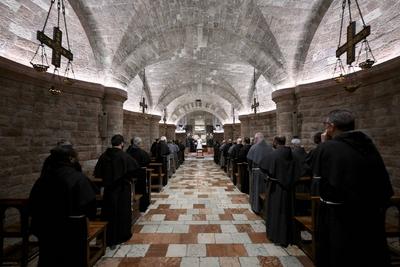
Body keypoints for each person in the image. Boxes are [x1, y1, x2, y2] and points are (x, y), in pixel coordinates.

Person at [313, 109, 393, 267]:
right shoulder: (367, 143)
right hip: (369, 214)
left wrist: (323, 145)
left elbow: (320, 181)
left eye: (326, 125)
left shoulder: (328, 147)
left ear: (331, 126)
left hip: (340, 217)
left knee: (339, 256)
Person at [29, 141, 97, 267]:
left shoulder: (43, 179)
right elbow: (89, 204)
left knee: (48, 258)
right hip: (71, 229)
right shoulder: (78, 178)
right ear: (71, 159)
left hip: (47, 228)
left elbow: (33, 204)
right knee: (72, 259)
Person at [94, 134, 140, 248]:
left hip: (109, 189)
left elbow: (98, 172)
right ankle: (121, 235)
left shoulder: (104, 156)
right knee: (121, 212)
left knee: (109, 212)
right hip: (122, 189)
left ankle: (108, 237)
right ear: (122, 144)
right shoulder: (125, 156)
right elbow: (135, 170)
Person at [260, 136, 300, 247]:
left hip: (276, 188)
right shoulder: (293, 155)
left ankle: (276, 235)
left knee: (276, 211)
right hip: (289, 189)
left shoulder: (273, 155)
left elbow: (263, 166)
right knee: (288, 211)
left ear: (276, 142)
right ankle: (289, 235)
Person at [246, 132, 273, 213]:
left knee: (257, 189)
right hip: (267, 173)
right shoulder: (270, 147)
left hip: (257, 172)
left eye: (255, 139)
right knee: (265, 190)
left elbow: (249, 160)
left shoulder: (254, 147)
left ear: (257, 138)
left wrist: (251, 169)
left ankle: (256, 207)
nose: (254, 140)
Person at [126, 136, 151, 212]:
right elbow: (147, 161)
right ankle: (142, 206)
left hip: (129, 174)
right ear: (139, 144)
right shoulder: (142, 153)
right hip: (140, 174)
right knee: (141, 190)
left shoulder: (127, 152)